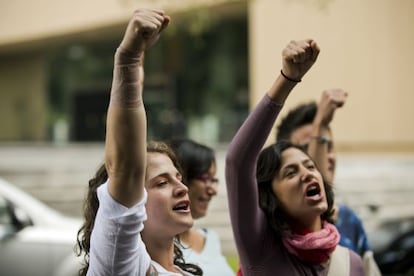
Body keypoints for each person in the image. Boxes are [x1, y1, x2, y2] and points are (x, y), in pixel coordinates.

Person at [76, 9, 202, 275]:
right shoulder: (120, 264)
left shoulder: (189, 271)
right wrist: (128, 61)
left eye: (178, 177)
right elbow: (125, 169)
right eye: (162, 182)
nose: (182, 187)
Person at [225, 39, 365, 275]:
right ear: (271, 197)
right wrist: (287, 79)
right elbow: (238, 163)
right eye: (290, 172)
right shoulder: (260, 250)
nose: (307, 174)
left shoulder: (352, 264)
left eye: (310, 166)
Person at [276, 91, 381, 274]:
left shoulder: (349, 220)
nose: (325, 156)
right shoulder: (273, 234)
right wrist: (320, 124)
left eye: (328, 146)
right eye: (307, 148)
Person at [168, 138, 235, 276]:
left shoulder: (210, 239)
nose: (213, 190)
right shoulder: (160, 249)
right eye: (205, 178)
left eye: (214, 180)